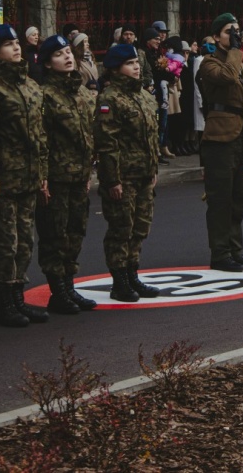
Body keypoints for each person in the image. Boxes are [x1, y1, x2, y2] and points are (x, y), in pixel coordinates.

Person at [0, 25, 49, 328]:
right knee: (5, 242)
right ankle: (4, 304)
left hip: (28, 176)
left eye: (16, 42)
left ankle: (18, 297)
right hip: (4, 177)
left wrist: (42, 175)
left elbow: (40, 135)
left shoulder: (30, 85)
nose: (16, 48)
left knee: (24, 242)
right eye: (8, 45)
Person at [94, 44, 161, 302]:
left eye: (137, 62)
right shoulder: (110, 98)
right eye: (130, 63)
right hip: (124, 176)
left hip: (144, 173)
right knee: (121, 228)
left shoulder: (144, 95)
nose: (136, 67)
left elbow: (153, 137)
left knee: (140, 227)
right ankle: (119, 281)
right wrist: (112, 179)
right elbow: (107, 143)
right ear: (116, 68)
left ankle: (133, 275)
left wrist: (153, 168)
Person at [35, 34, 96, 314]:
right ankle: (57, 291)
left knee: (75, 232)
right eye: (59, 54)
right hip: (56, 176)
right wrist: (42, 176)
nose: (68, 56)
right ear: (48, 64)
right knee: (54, 234)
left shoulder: (81, 92)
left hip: (78, 175)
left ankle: (69, 286)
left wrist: (88, 171)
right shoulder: (44, 94)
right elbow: (41, 138)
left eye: (68, 52)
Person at [196, 14, 243, 272]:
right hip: (219, 138)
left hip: (240, 136)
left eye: (236, 30)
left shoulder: (241, 64)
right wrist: (235, 49)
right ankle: (220, 254)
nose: (233, 35)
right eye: (227, 32)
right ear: (216, 37)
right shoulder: (208, 64)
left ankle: (235, 249)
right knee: (220, 200)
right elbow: (227, 78)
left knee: (237, 198)